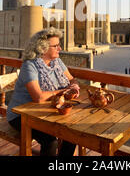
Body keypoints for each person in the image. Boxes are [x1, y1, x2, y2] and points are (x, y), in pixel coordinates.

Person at [7, 27, 78, 156]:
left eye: (59, 45)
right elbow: (38, 98)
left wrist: (74, 86)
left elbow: (72, 79)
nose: (60, 48)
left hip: (44, 112)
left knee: (73, 134)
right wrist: (62, 91)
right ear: (43, 48)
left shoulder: (57, 62)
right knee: (50, 141)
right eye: (55, 46)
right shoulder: (30, 65)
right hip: (21, 115)